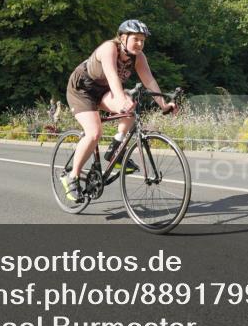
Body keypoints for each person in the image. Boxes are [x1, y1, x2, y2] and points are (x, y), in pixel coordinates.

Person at [62, 20, 176, 202]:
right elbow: (112, 76)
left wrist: (164, 105)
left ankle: (116, 149)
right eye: (136, 39)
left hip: (103, 91)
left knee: (132, 107)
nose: (140, 43)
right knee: (94, 132)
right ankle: (72, 177)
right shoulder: (109, 48)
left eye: (143, 40)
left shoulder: (138, 57)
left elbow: (150, 82)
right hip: (82, 89)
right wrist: (121, 99)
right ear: (123, 37)